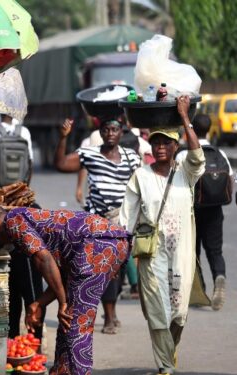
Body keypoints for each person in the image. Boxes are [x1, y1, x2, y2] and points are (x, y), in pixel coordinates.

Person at [0, 204, 130, 374]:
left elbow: (44, 260)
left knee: (76, 325)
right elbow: (57, 275)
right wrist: (39, 304)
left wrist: (62, 302)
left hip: (98, 243)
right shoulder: (21, 222)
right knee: (67, 323)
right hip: (104, 243)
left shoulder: (13, 220)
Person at [120, 96, 205, 375]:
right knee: (158, 312)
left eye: (166, 142)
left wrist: (184, 117)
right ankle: (165, 366)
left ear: (174, 146)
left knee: (179, 314)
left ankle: (170, 348)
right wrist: (118, 249)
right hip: (151, 254)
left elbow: (198, 156)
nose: (159, 147)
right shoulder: (140, 176)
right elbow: (126, 218)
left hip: (180, 253)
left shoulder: (186, 173)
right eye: (156, 142)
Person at [55, 118, 141, 334]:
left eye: (114, 129)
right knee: (106, 269)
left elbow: (140, 185)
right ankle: (110, 317)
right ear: (101, 133)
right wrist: (63, 138)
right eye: (106, 129)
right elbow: (62, 164)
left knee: (118, 271)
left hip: (123, 221)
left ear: (121, 133)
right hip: (98, 222)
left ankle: (111, 312)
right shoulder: (90, 154)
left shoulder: (131, 157)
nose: (110, 133)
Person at [176, 114, 233, 311]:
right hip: (215, 210)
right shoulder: (220, 154)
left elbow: (176, 183)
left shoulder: (183, 155)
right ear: (209, 130)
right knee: (215, 250)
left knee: (192, 252)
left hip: (191, 210)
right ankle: (219, 276)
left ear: (188, 130)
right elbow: (230, 180)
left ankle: (198, 292)